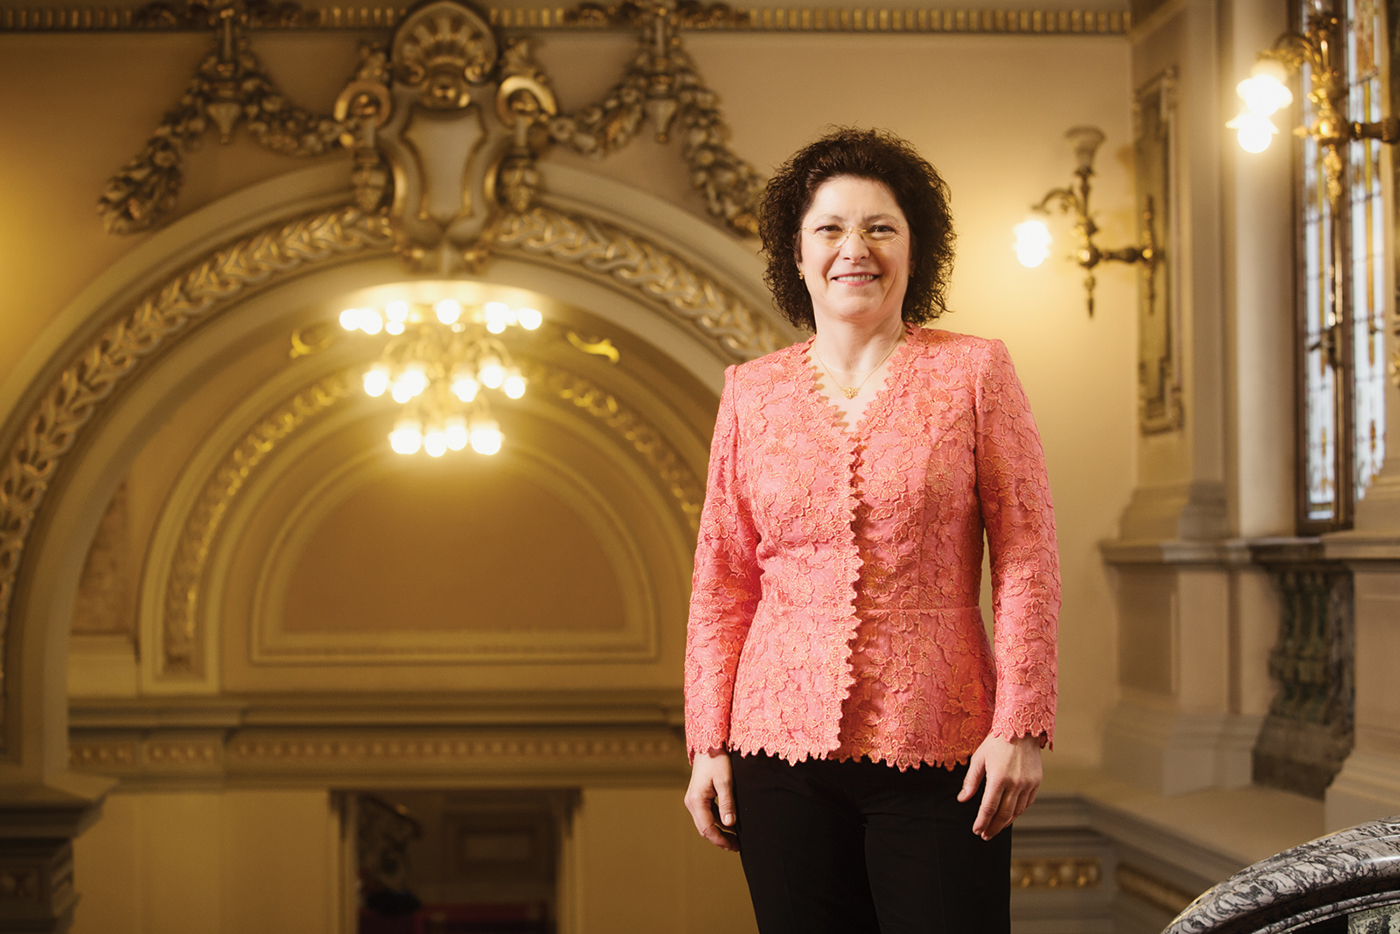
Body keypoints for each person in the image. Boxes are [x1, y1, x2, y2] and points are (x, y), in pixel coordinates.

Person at [681, 128, 1060, 934]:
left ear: (916, 249)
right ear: (799, 253)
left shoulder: (974, 370)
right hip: (775, 751)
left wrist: (1021, 725)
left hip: (942, 740)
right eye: (830, 229)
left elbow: (1027, 556)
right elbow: (723, 579)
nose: (855, 248)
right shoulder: (750, 391)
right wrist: (707, 742)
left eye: (880, 227)